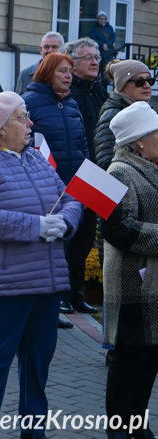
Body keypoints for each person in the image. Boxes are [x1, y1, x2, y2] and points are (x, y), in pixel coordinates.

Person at [0, 91, 81, 439]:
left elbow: (68, 198)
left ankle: (33, 432)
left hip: (45, 283)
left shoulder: (36, 158)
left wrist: (66, 222)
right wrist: (35, 227)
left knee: (37, 365)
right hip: (3, 284)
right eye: (22, 117)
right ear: (0, 127)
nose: (30, 123)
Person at [23, 52, 90, 327]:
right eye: (63, 70)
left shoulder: (72, 104)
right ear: (47, 72)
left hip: (77, 185)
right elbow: (24, 144)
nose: (68, 76)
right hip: (47, 185)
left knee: (81, 242)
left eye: (70, 71)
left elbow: (82, 144)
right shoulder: (30, 102)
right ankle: (55, 300)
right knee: (55, 245)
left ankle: (75, 293)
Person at [103, 101, 158, 439]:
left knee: (149, 359)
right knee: (129, 360)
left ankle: (138, 424)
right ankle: (119, 429)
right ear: (139, 139)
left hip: (151, 283)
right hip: (132, 284)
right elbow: (117, 228)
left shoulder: (151, 167)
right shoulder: (118, 171)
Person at [63, 38, 108, 315]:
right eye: (87, 57)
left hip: (97, 173)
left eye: (96, 57)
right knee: (69, 237)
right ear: (73, 63)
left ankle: (77, 293)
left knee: (85, 240)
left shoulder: (100, 91)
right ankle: (63, 295)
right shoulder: (68, 94)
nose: (94, 62)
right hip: (74, 173)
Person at [94, 59, 154, 170]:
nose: (147, 86)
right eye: (139, 82)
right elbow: (106, 161)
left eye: (150, 80)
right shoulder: (113, 115)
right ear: (122, 85)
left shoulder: (144, 111)